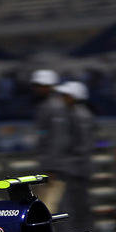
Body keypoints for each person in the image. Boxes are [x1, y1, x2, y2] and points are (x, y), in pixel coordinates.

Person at [54, 80, 96, 232]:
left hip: (76, 171)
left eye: (65, 95)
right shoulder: (74, 114)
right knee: (75, 209)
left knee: (75, 210)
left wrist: (67, 161)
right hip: (75, 169)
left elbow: (84, 146)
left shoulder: (81, 115)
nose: (62, 98)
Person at [30, 69, 69, 213]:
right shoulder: (44, 105)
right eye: (37, 85)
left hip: (53, 169)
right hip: (47, 165)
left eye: (42, 85)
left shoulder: (55, 106)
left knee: (49, 208)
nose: (38, 88)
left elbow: (57, 138)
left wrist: (52, 169)